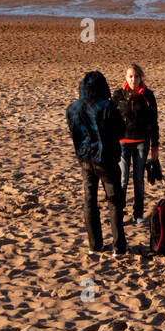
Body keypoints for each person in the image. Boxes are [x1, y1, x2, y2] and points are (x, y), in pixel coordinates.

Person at [66, 71, 127, 255]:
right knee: (114, 202)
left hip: (85, 159)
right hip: (106, 160)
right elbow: (120, 132)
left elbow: (73, 132)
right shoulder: (107, 106)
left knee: (89, 201)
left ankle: (95, 245)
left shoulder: (72, 108)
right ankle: (119, 247)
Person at [113, 64, 160, 225]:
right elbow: (111, 120)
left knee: (139, 179)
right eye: (130, 76)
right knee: (123, 178)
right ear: (126, 78)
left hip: (142, 142)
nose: (134, 79)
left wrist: (155, 146)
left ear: (141, 78)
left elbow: (154, 122)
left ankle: (138, 213)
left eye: (136, 76)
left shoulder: (148, 95)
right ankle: (118, 212)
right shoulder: (118, 95)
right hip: (122, 143)